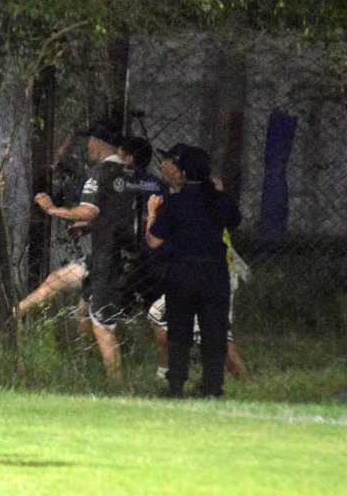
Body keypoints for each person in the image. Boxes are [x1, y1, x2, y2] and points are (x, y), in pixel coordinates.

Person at [25, 121, 153, 378]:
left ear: (95, 143)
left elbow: (89, 210)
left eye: (89, 142)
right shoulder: (142, 178)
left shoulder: (101, 174)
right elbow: (127, 218)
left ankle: (118, 387)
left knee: (102, 325)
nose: (87, 147)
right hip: (137, 257)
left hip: (109, 259)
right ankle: (84, 365)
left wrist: (53, 210)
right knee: (81, 304)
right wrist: (92, 227)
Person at [145, 144, 242, 399]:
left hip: (182, 272)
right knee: (214, 332)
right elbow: (235, 220)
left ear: (184, 173)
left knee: (179, 332)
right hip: (215, 273)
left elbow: (154, 241)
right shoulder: (217, 201)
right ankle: (212, 388)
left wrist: (151, 215)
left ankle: (176, 386)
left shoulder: (174, 203)